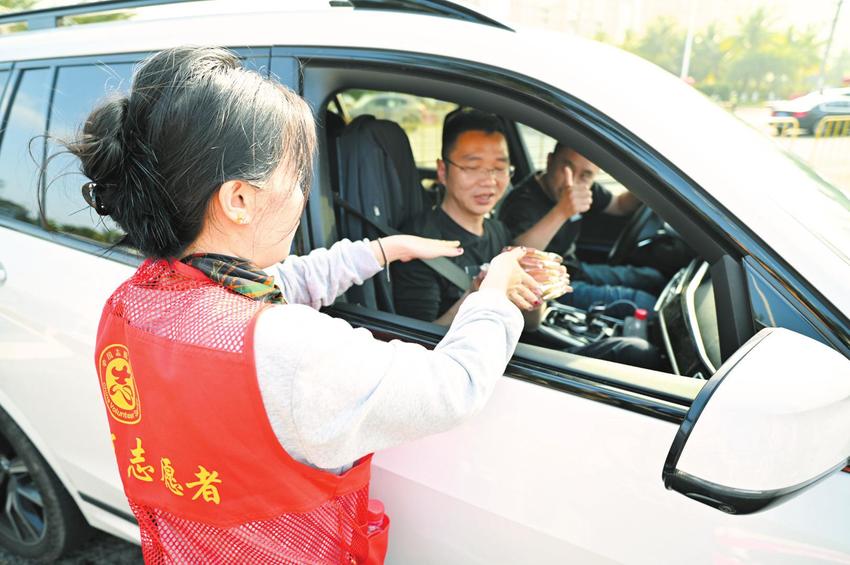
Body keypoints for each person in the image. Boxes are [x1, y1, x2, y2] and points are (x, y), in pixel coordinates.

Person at [56, 47, 538, 564]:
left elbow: (272, 286)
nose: (304, 197)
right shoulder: (291, 347)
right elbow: (452, 388)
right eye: (296, 178)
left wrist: (382, 251)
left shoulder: (136, 302)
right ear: (239, 199)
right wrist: (495, 294)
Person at [392, 108, 661, 370]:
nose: (489, 181)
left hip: (515, 352)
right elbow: (419, 347)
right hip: (475, 371)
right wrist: (477, 295)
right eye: (473, 167)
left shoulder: (497, 231)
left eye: (499, 168)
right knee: (636, 352)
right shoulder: (419, 245)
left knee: (636, 349)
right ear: (442, 171)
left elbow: (531, 324)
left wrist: (537, 293)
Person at [499, 141, 666, 313]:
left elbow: (619, 205)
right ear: (549, 161)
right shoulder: (521, 203)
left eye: (586, 175)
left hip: (574, 268)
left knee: (653, 278)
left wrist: (647, 184)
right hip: (550, 286)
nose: (572, 181)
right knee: (645, 304)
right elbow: (516, 257)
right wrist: (562, 211)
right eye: (567, 167)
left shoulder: (584, 187)